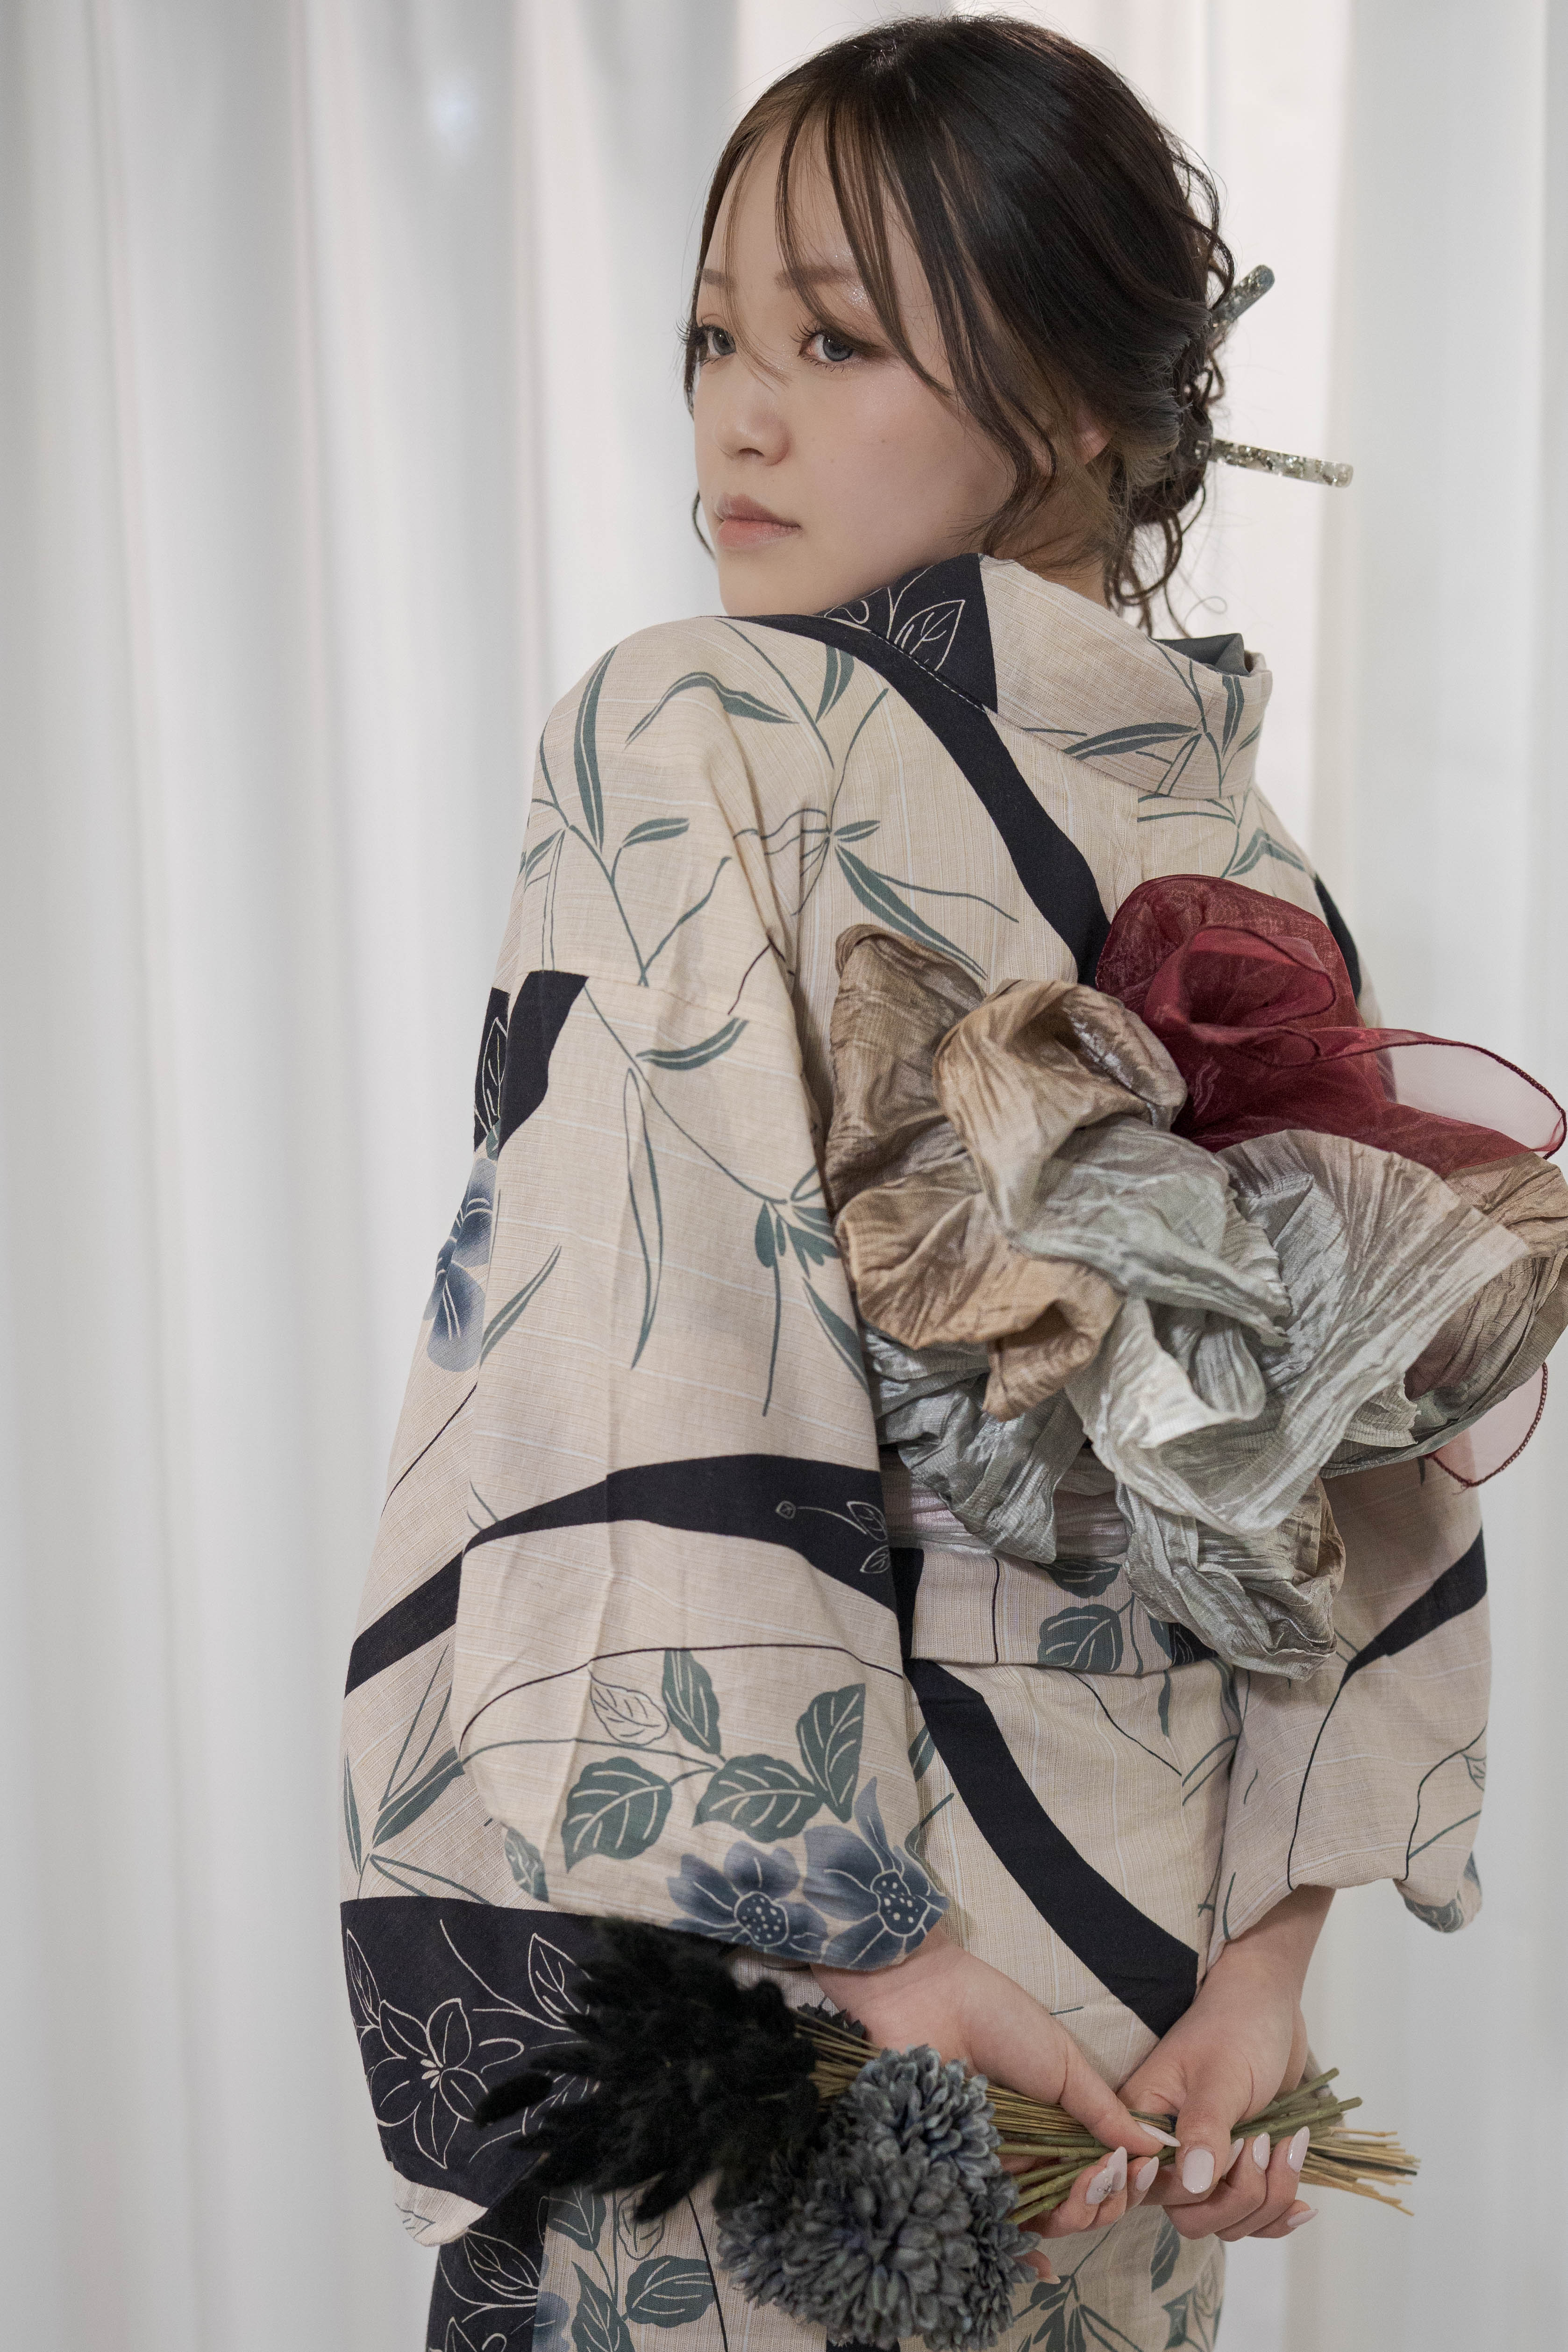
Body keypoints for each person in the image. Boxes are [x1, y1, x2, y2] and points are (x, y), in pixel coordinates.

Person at [341, 20, 1556, 2350]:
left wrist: (882, 1951)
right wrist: (1257, 1963)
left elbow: (635, 1343)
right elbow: (1356, 1466)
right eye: (712, 337)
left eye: (830, 341)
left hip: (812, 1942)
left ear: (1079, 400)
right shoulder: (1244, 856)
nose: (734, 417)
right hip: (1131, 1981)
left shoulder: (691, 721)